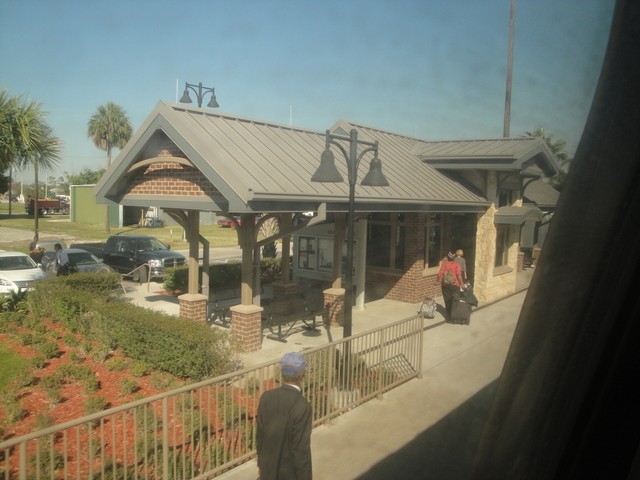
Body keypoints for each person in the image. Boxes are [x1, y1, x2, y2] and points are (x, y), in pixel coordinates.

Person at [257, 352, 313, 480]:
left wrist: (261, 466)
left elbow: (260, 436)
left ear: (282, 373)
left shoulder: (266, 397)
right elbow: (301, 451)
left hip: (267, 471)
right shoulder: (302, 406)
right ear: (302, 374)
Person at [438, 251, 464, 320]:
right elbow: (459, 275)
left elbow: (440, 274)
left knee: (447, 300)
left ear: (448, 257)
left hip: (445, 285)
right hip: (455, 285)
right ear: (454, 258)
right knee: (455, 299)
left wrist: (436, 281)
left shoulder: (445, 264)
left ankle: (449, 315)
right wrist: (461, 283)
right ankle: (454, 314)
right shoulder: (456, 265)